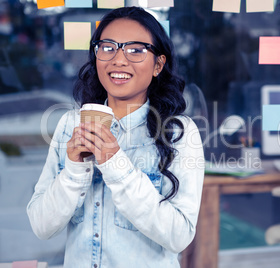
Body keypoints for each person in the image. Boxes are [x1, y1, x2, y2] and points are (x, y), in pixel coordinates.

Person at [27, 6, 204, 268]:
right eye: (107, 47)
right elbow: (41, 226)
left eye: (136, 50)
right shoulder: (70, 125)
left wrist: (115, 164)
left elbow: (179, 236)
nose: (118, 60)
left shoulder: (179, 133)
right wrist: (74, 171)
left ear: (158, 64)